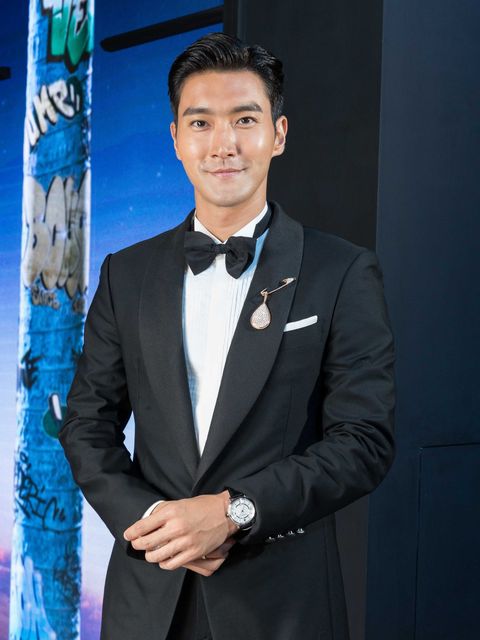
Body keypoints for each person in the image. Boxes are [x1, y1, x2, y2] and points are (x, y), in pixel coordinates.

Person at [59, 32, 396, 640]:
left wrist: (234, 511)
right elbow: (86, 423)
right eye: (201, 123)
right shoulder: (124, 273)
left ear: (279, 134)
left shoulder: (342, 271)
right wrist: (157, 524)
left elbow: (363, 441)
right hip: (148, 596)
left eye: (245, 119)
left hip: (282, 605)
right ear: (176, 139)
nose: (224, 145)